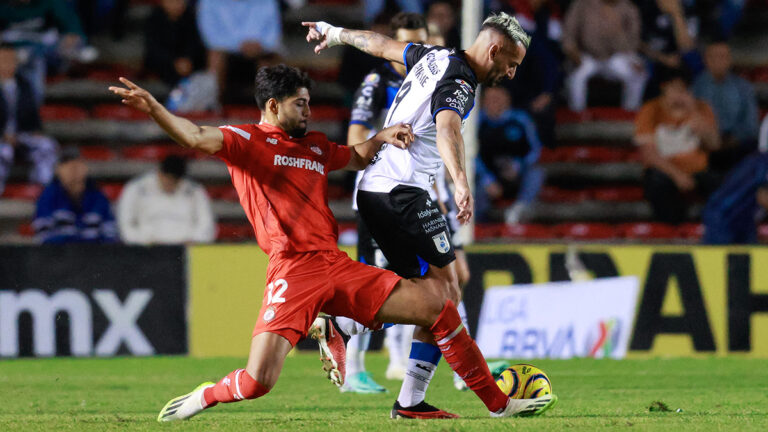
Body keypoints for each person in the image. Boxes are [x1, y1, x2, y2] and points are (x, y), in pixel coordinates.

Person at [109, 66, 556, 421]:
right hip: (292, 271)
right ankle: (207, 394)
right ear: (272, 105)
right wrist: (153, 108)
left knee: (438, 303)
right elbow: (192, 135)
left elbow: (356, 156)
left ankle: (498, 403)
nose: (308, 111)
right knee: (257, 381)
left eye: (309, 103)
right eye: (300, 105)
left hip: (335, 265)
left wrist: (381, 136)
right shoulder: (244, 141)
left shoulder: (316, 146)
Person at [303, 11, 531, 418]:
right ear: (494, 49)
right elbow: (447, 129)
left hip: (376, 190)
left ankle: (403, 394)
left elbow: (380, 45)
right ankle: (352, 334)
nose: (511, 74)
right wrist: (461, 181)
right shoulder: (460, 79)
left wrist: (335, 33)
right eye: (511, 64)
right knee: (445, 295)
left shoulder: (432, 55)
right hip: (402, 193)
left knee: (430, 297)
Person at [340, 12, 429, 394]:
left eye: (420, 44)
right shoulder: (378, 82)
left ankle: (396, 361)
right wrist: (386, 139)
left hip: (408, 193)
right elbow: (355, 134)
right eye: (407, 44)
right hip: (377, 193)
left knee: (411, 279)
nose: (414, 53)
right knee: (373, 279)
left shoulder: (428, 81)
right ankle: (352, 369)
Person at [635, 67, 721, 225]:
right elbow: (649, 154)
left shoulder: (701, 108)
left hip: (697, 171)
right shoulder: (650, 110)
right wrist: (677, 175)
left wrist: (693, 111)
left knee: (719, 183)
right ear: (664, 88)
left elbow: (714, 144)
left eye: (683, 89)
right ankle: (672, 229)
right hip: (664, 171)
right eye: (674, 89)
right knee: (657, 184)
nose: (678, 95)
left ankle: (714, 227)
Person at [562, 0, 647, 111]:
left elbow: (632, 44)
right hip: (586, 56)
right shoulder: (582, 4)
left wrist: (617, 27)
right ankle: (577, 116)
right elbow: (568, 36)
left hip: (615, 56)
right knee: (577, 76)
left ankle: (629, 114)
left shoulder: (628, 8)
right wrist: (573, 53)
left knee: (638, 73)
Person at [476, 86, 543, 224]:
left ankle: (520, 209)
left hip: (516, 173)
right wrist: (487, 179)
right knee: (472, 184)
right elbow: (470, 155)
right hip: (489, 176)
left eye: (498, 99)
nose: (494, 103)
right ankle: (477, 223)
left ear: (507, 101)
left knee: (537, 173)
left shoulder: (520, 120)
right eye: (490, 99)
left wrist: (519, 165)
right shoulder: (476, 123)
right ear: (483, 102)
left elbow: (535, 149)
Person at [196, 0, 283, 103]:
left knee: (272, 59)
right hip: (226, 52)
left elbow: (273, 37)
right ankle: (214, 107)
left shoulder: (268, 2)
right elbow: (210, 38)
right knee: (215, 56)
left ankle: (273, 108)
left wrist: (258, 46)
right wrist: (239, 45)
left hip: (259, 52)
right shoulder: (209, 2)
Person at [0, 43, 58, 197]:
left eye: (10, 59)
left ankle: (43, 191)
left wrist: (36, 131)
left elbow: (33, 115)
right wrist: (3, 136)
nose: (7, 63)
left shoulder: (23, 84)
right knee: (3, 152)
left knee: (46, 146)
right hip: (2, 140)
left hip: (21, 135)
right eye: (3, 59)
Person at [117, 155, 215, 245]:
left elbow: (206, 225)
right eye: (168, 180)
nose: (171, 185)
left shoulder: (195, 191)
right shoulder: (136, 189)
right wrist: (140, 240)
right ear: (160, 173)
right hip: (146, 249)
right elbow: (125, 224)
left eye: (175, 182)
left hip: (184, 249)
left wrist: (195, 240)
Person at [692, 40, 759, 170]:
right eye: (713, 56)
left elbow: (751, 126)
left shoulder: (744, 87)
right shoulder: (695, 88)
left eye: (723, 56)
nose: (718, 61)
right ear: (705, 60)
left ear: (730, 59)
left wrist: (730, 140)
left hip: (735, 143)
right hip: (705, 143)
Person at [32, 146, 118, 244]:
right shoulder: (47, 197)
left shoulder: (99, 197)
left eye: (77, 163)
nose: (73, 168)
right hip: (60, 257)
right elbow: (45, 237)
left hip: (95, 257)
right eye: (66, 164)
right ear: (57, 170)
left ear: (85, 168)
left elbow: (111, 235)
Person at [143, 0, 206, 88]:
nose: (177, 5)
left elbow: (195, 44)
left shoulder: (192, 18)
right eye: (173, 2)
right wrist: (174, 62)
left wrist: (187, 59)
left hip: (189, 65)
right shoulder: (154, 19)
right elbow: (153, 48)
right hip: (164, 64)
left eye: (180, 2)